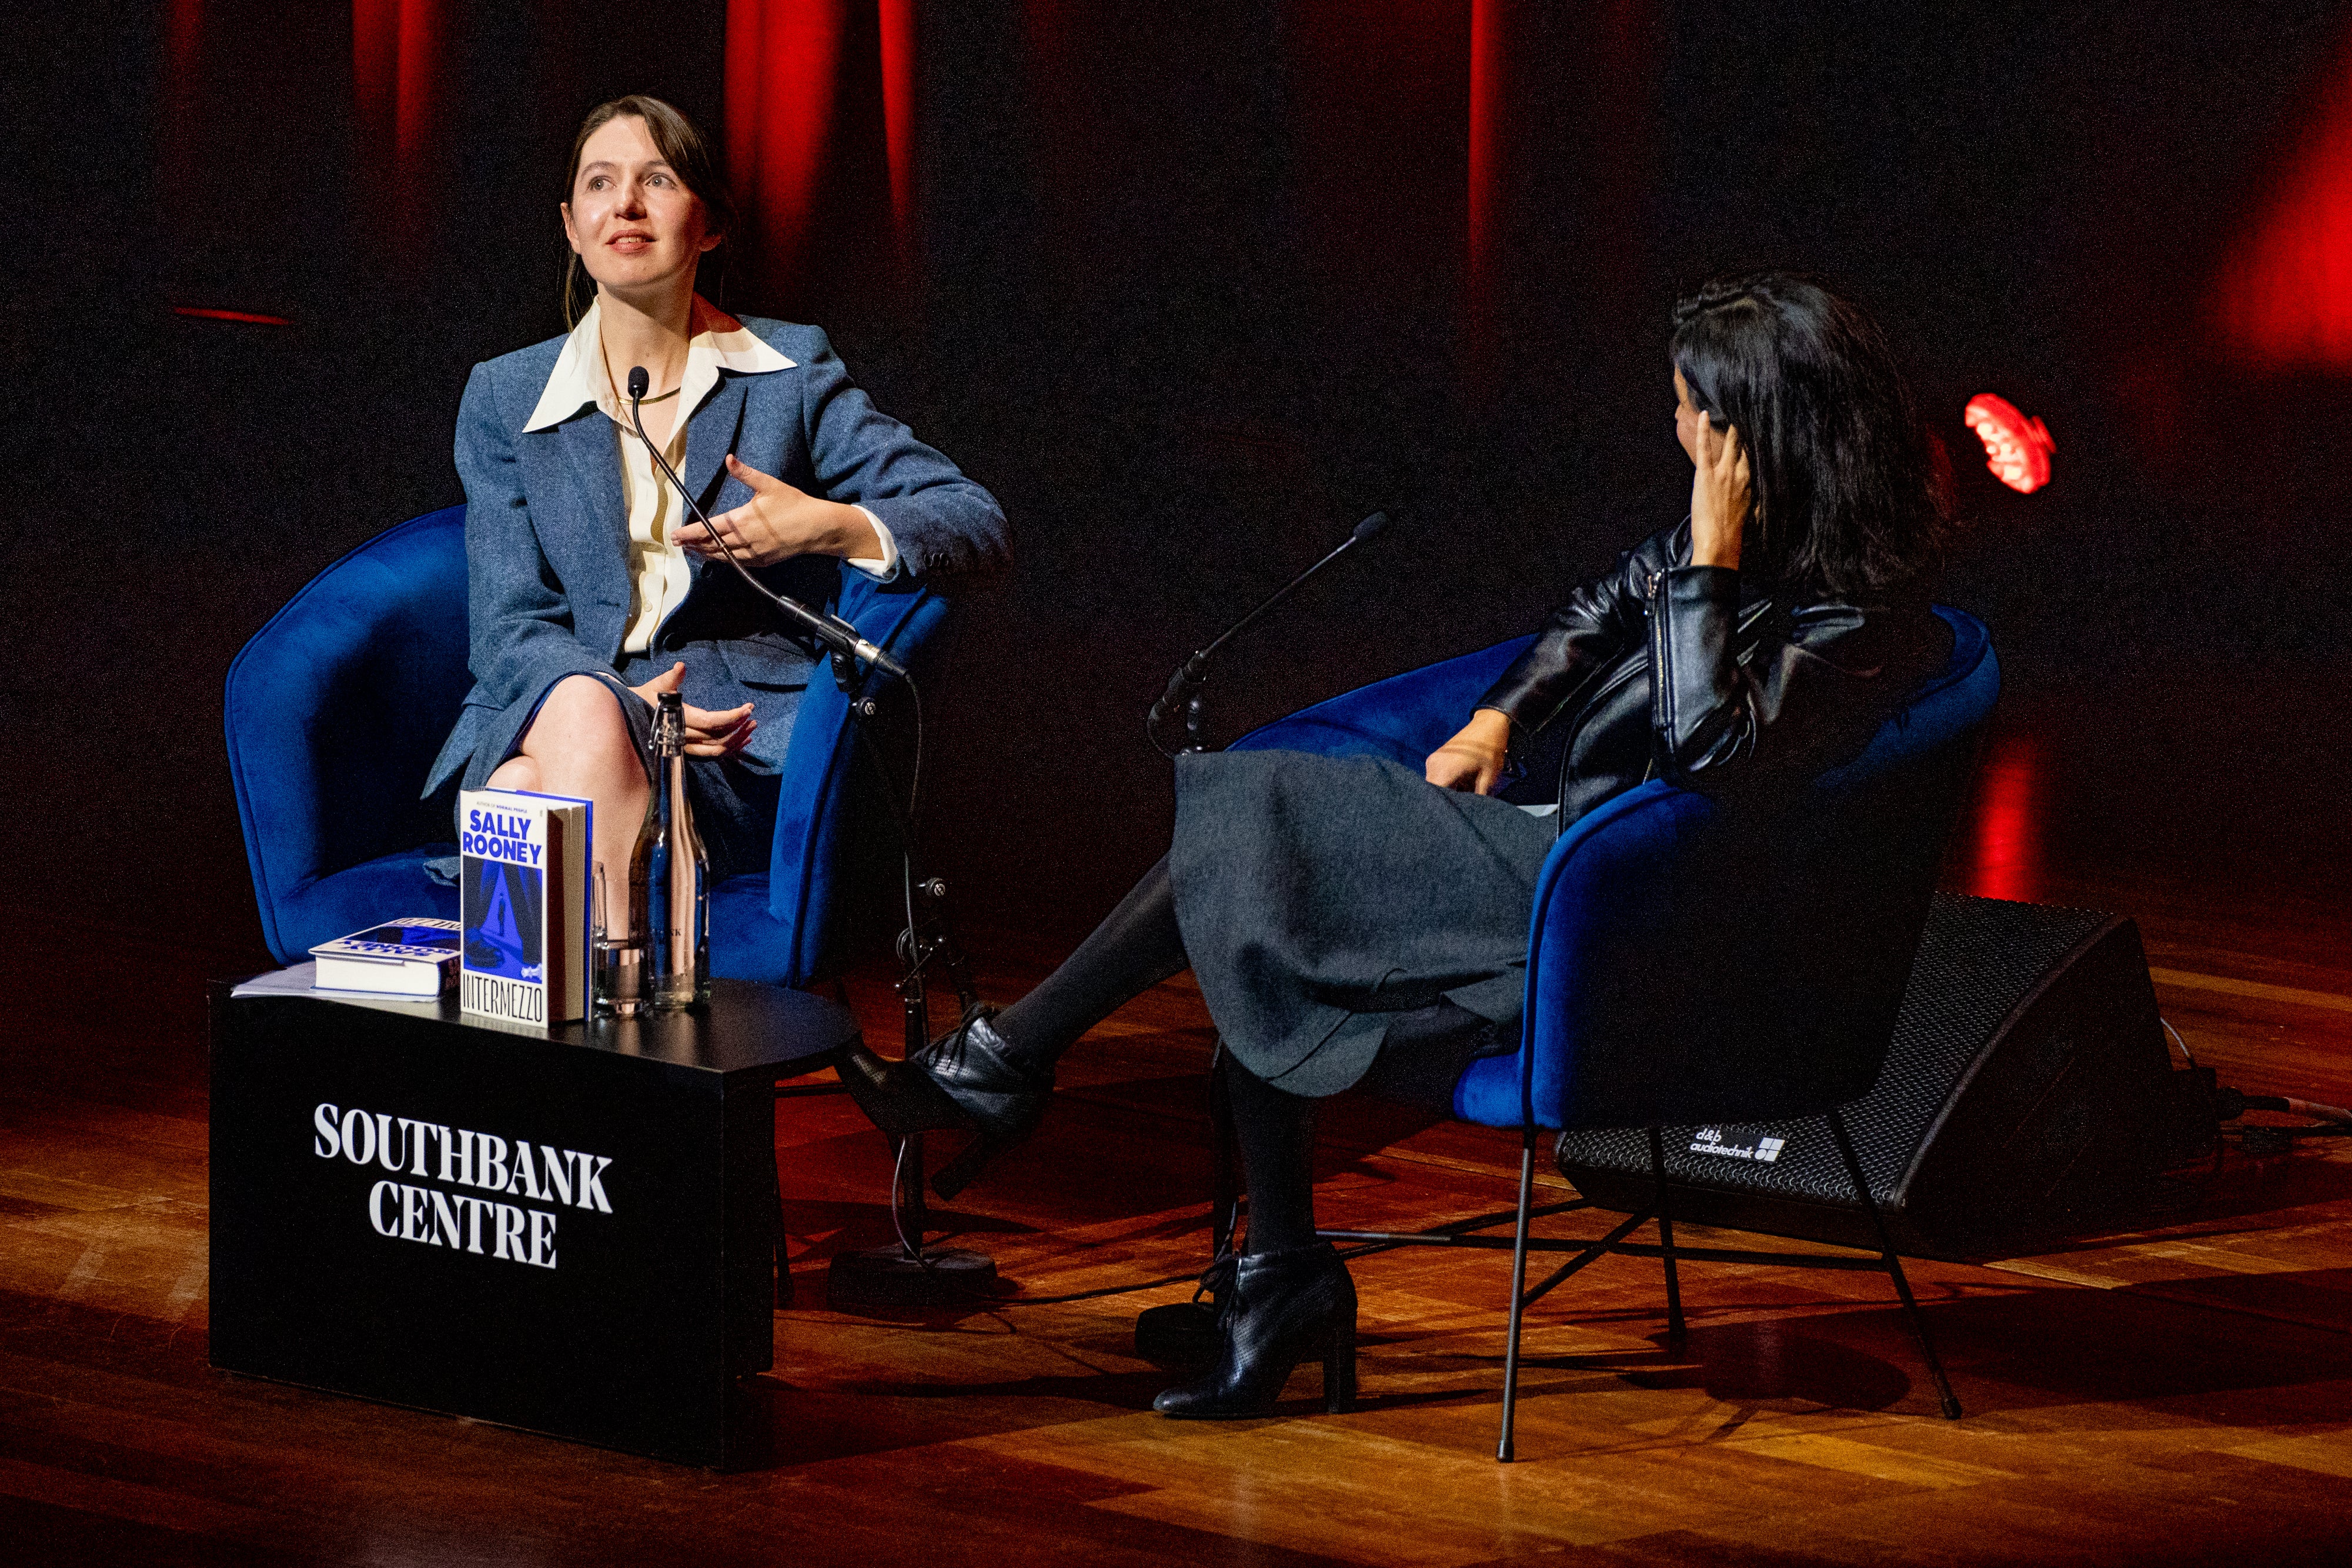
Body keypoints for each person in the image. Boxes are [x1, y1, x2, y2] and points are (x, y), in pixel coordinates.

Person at [841, 270, 1953, 1418]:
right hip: (1560, 855)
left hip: (1620, 918)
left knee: (1252, 829)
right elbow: (1593, 611)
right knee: (1255, 908)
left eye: (1685, 410)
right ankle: (1262, 1270)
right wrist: (1497, 714)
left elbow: (1704, 756)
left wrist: (1710, 571)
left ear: (1745, 436)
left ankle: (1016, 1082)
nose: (1671, 429)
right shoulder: (1741, 535)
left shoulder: (1851, 617)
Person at [422, 95, 1008, 931]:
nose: (625, 204)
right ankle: (621, 1021)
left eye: (657, 179)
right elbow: (512, 625)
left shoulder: (791, 372)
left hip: (730, 745)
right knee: (563, 737)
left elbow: (973, 519)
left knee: (521, 797)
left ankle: (566, 1040)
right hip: (562, 710)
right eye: (600, 184)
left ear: (710, 225)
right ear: (571, 226)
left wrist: (823, 525)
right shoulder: (505, 395)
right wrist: (622, 706)